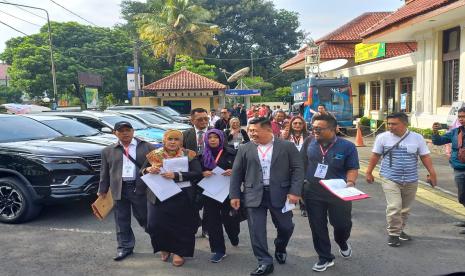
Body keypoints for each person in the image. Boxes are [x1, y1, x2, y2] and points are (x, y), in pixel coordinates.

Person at [230, 117, 304, 276]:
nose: (251, 134)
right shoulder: (245, 148)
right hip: (253, 194)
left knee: (286, 227)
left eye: (255, 130)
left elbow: (298, 170)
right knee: (256, 230)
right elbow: (236, 173)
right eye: (250, 131)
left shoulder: (287, 146)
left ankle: (280, 246)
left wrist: (295, 191)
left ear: (268, 130)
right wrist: (235, 194)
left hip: (280, 194)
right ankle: (264, 261)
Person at [366, 112, 437, 247]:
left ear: (405, 124)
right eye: (389, 123)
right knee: (394, 206)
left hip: (411, 178)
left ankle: (399, 230)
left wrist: (432, 173)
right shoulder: (382, 138)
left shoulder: (417, 138)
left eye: (394, 124)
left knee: (405, 208)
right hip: (390, 177)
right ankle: (393, 234)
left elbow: (425, 156)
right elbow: (375, 155)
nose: (390, 126)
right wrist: (369, 172)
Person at [301, 114, 359, 272]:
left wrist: (351, 183)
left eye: (319, 129)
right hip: (313, 192)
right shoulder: (309, 142)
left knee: (341, 225)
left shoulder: (347, 146)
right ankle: (325, 257)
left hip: (339, 193)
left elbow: (352, 168)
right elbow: (301, 165)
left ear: (333, 129)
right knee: (317, 226)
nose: (315, 131)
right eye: (313, 128)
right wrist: (299, 189)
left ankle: (342, 241)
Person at [98, 121, 156, 261]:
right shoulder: (108, 150)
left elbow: (158, 164)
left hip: (140, 188)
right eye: (121, 130)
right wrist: (102, 190)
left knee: (146, 218)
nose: (125, 133)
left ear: (133, 131)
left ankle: (162, 244)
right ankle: (124, 248)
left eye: (128, 130)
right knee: (121, 220)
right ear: (115, 133)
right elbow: (104, 172)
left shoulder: (146, 146)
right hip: (119, 189)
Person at [144, 130, 203, 267]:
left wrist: (177, 175)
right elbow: (142, 170)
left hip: (182, 195)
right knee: (156, 224)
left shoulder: (189, 155)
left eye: (176, 139)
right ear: (164, 140)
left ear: (181, 142)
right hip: (159, 194)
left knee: (182, 225)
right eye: (170, 139)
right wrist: (148, 170)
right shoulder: (155, 155)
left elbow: (197, 173)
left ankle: (179, 252)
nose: (172, 142)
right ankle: (164, 248)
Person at [200, 129, 241, 263]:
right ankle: (219, 250)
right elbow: (196, 172)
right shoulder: (202, 155)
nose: (212, 140)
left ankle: (234, 236)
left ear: (221, 139)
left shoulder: (232, 153)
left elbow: (243, 169)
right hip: (210, 193)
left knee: (231, 220)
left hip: (228, 193)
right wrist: (202, 173)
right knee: (213, 222)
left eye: (215, 137)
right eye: (210, 137)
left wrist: (233, 171)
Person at [432, 108, 465, 234]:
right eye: (460, 116)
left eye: (464, 116)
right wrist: (435, 132)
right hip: (459, 169)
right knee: (462, 197)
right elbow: (438, 141)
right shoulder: (455, 132)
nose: (461, 119)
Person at [182, 107, 211, 238]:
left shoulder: (215, 132)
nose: (204, 121)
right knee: (191, 202)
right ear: (192, 120)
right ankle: (194, 225)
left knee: (209, 203)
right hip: (191, 173)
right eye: (200, 119)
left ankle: (207, 228)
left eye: (206, 119)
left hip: (210, 173)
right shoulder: (185, 135)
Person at [283, 116, 310, 217]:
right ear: (291, 125)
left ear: (303, 125)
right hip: (288, 165)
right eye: (295, 123)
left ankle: (304, 207)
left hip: (305, 165)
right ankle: (290, 206)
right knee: (290, 186)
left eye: (300, 123)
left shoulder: (309, 136)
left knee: (303, 187)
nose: (297, 125)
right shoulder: (286, 135)